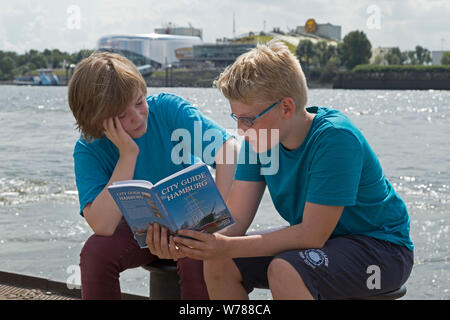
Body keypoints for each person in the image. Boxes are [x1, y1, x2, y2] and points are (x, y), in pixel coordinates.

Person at [169, 41, 414, 300]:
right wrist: (192, 243)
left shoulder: (336, 139)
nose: (241, 130)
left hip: (381, 251)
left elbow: (312, 234)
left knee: (285, 270)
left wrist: (226, 245)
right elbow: (236, 221)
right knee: (220, 260)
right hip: (325, 245)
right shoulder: (260, 139)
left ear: (286, 107)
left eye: (248, 119)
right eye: (236, 119)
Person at [67, 51, 238, 300]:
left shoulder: (166, 110)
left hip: (192, 224)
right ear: (97, 121)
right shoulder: (88, 149)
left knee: (197, 254)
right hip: (141, 234)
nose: (137, 118)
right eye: (122, 116)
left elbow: (229, 149)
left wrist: (215, 219)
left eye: (139, 102)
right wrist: (127, 155)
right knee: (95, 252)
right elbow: (102, 225)